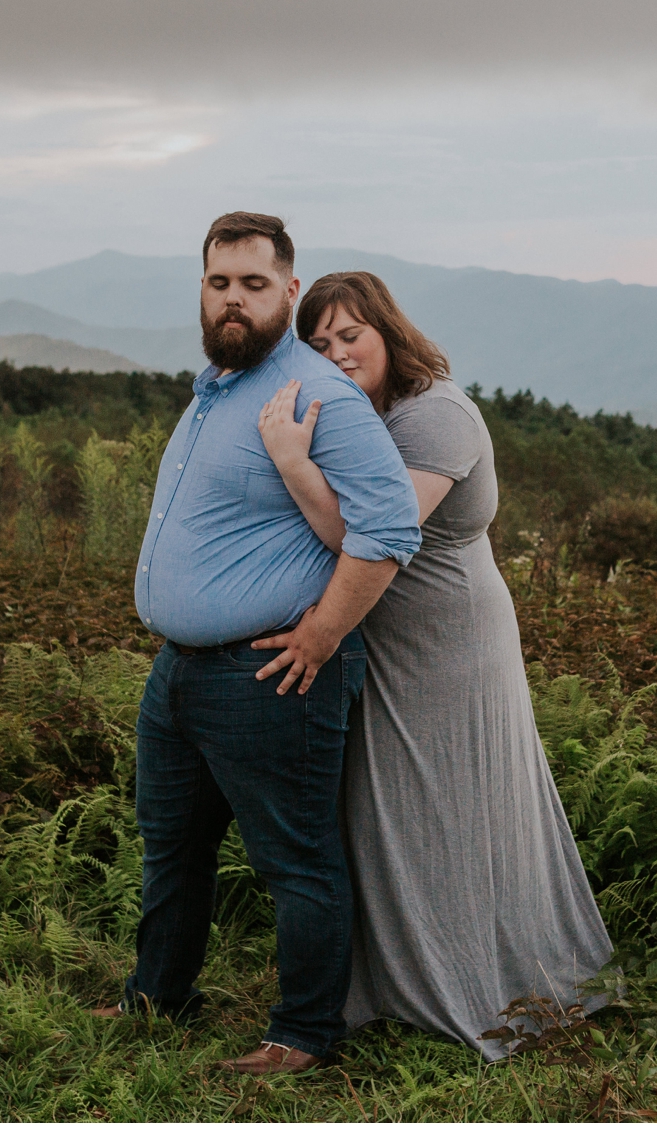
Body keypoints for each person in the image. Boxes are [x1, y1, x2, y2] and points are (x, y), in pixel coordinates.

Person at [94, 215, 422, 1077]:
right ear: (202, 291)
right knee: (172, 847)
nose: (233, 298)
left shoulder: (321, 395)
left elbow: (388, 529)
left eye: (251, 283)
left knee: (295, 861)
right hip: (180, 673)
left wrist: (324, 631)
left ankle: (305, 1034)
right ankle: (158, 995)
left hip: (269, 671)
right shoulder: (221, 386)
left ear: (286, 288)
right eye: (218, 283)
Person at [256, 270, 613, 1061]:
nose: (337, 353)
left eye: (351, 335)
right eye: (318, 344)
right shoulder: (361, 414)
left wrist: (291, 461)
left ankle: (477, 985)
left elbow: (367, 532)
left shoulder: (437, 415)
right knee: (381, 806)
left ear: (388, 330)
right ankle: (391, 980)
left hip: (451, 643)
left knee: (455, 803)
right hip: (381, 640)